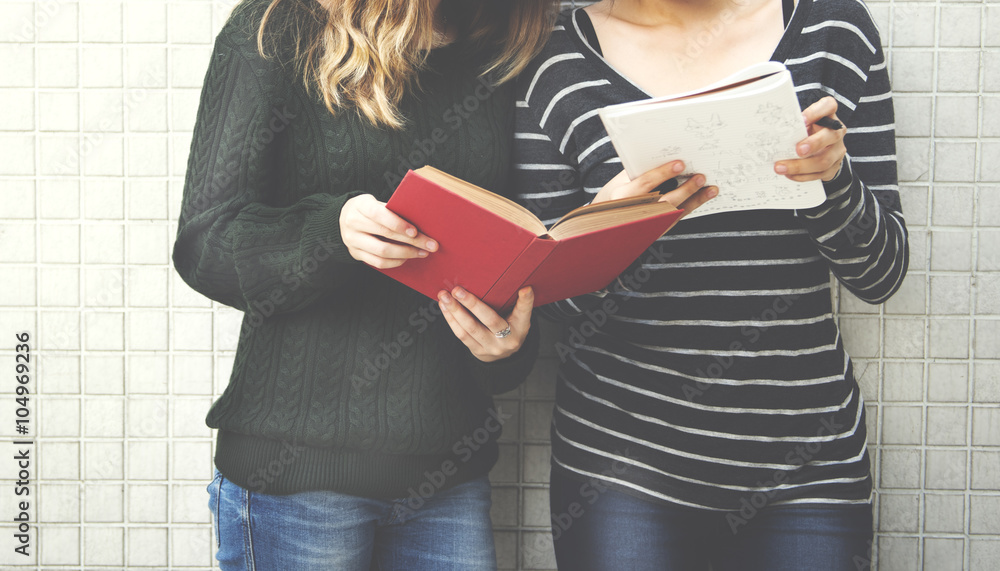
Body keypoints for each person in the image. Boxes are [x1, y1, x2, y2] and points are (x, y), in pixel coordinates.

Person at [512, 0, 908, 569]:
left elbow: (881, 273)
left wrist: (835, 180)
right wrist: (609, 227)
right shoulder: (554, 53)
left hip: (806, 465)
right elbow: (547, 298)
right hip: (622, 466)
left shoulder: (833, 29)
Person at [171, 0, 563, 569]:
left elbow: (511, 260)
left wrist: (505, 347)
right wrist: (332, 231)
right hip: (296, 481)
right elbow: (204, 245)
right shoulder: (277, 28)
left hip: (448, 477)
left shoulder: (507, 46)